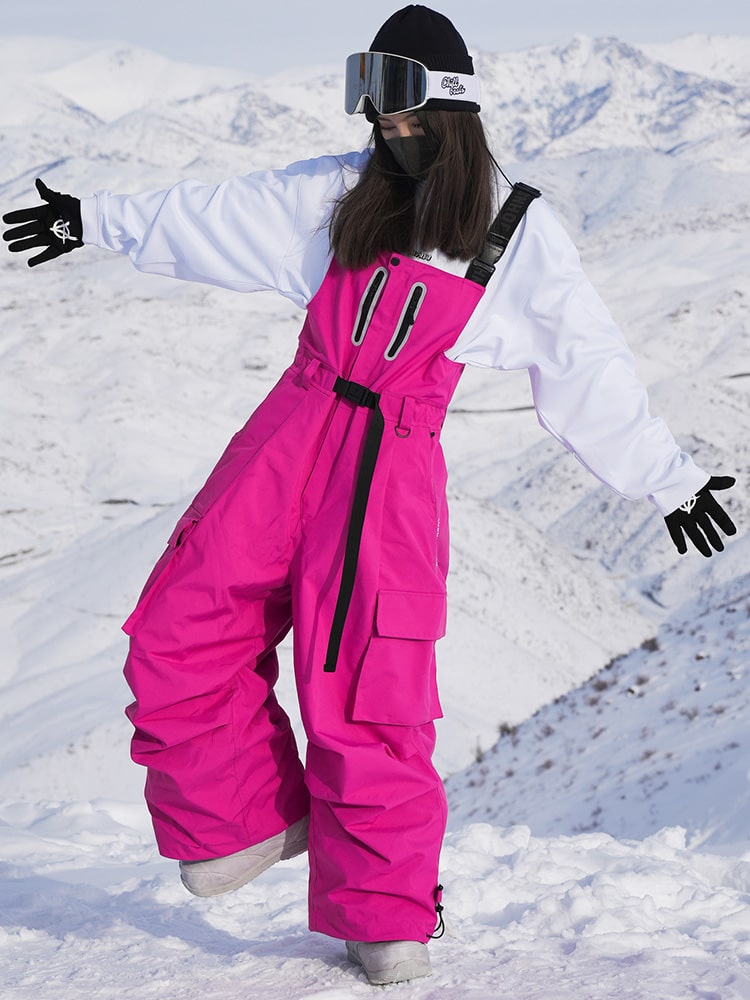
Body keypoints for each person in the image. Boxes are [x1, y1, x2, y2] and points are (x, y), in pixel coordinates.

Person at [2, 4, 737, 987]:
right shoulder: (341, 194)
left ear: (454, 114)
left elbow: (584, 368)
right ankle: (249, 818)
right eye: (380, 121)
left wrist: (667, 477)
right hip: (287, 432)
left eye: (408, 120)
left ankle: (385, 909)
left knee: (368, 691)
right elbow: (214, 214)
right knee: (179, 623)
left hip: (391, 466)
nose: (391, 137)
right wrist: (90, 219)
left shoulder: (518, 233)